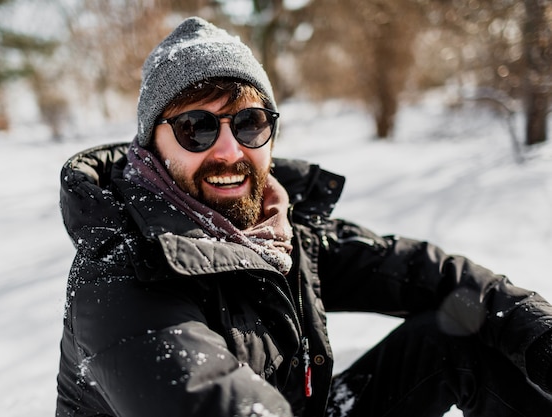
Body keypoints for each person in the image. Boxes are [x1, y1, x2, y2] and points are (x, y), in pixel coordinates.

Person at [55, 16, 552, 417]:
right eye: (196, 128)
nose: (229, 151)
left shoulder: (273, 233)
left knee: (459, 332)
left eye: (249, 123)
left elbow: (434, 276)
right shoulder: (119, 274)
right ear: (151, 147)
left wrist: (542, 335)